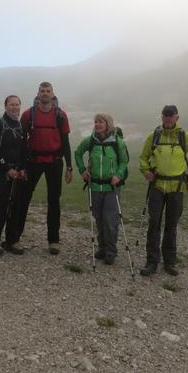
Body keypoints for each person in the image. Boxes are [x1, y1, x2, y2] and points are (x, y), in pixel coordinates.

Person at [138, 105, 188, 276]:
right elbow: (143, 157)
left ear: (177, 118)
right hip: (157, 186)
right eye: (165, 116)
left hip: (177, 187)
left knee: (171, 225)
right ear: (161, 117)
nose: (168, 119)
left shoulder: (184, 137)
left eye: (171, 116)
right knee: (154, 224)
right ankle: (152, 262)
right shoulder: (154, 136)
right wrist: (145, 171)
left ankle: (169, 262)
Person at [18, 82, 73, 254]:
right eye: (42, 91)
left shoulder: (61, 115)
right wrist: (21, 165)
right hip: (32, 161)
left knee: (54, 201)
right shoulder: (28, 115)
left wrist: (69, 167)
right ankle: (14, 238)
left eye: (48, 91)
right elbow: (21, 141)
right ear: (38, 93)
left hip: (55, 162)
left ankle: (53, 241)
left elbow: (65, 142)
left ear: (52, 94)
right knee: (23, 198)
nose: (45, 93)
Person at [74, 113, 128, 265]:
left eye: (101, 122)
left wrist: (118, 174)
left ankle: (111, 252)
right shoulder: (90, 141)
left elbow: (124, 162)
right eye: (96, 122)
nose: (97, 124)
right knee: (99, 218)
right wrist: (82, 170)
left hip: (112, 187)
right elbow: (78, 153)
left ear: (108, 124)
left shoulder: (118, 142)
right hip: (95, 185)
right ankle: (102, 248)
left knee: (110, 220)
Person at [0, 95, 27, 256]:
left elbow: (23, 150)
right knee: (3, 204)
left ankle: (11, 241)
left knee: (15, 205)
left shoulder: (19, 125)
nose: (14, 107)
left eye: (17, 104)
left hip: (16, 171)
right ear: (5, 106)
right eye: (11, 104)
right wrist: (6, 168)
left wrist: (22, 168)